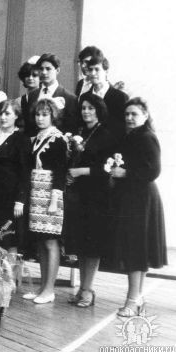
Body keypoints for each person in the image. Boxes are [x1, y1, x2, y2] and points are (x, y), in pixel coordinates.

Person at [108, 98, 166, 317]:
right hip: (133, 197)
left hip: (142, 199)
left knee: (135, 249)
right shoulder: (132, 136)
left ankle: (132, 301)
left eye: (134, 114)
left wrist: (125, 173)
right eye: (127, 114)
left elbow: (153, 170)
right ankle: (137, 298)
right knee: (136, 249)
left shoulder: (146, 137)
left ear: (145, 115)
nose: (129, 118)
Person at [64, 94, 116, 308]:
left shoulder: (105, 134)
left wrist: (80, 171)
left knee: (92, 244)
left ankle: (88, 289)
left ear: (99, 110)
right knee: (81, 244)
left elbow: (107, 169)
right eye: (84, 108)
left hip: (97, 195)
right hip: (79, 194)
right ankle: (82, 288)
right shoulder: (80, 132)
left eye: (91, 108)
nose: (86, 111)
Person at [23, 98, 68, 304]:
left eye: (44, 115)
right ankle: (42, 287)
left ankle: (50, 290)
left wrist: (54, 200)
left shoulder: (58, 139)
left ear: (53, 116)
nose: (40, 118)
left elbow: (60, 171)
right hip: (36, 191)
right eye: (37, 114)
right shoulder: (37, 137)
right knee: (41, 241)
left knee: (50, 240)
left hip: (50, 193)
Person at [0, 100, 30, 251]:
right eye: (0, 114)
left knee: (9, 239)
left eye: (7, 113)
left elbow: (25, 172)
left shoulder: (21, 139)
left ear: (16, 116)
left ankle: (10, 268)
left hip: (10, 196)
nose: (3, 117)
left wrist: (20, 200)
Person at [23, 53, 79, 136]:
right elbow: (28, 125)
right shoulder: (32, 95)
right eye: (41, 69)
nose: (44, 72)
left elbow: (71, 128)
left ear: (57, 70)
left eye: (48, 69)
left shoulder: (70, 98)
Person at [79, 55, 129, 141]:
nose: (93, 73)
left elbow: (123, 127)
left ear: (106, 71)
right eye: (90, 69)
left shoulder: (120, 97)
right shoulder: (84, 97)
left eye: (97, 69)